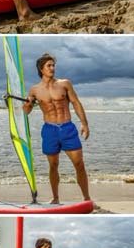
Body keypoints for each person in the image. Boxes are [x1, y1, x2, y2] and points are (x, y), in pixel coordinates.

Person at [24, 53, 91, 204]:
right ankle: (55, 198)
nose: (52, 68)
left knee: (79, 164)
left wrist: (85, 124)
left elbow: (76, 103)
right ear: (41, 69)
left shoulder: (64, 84)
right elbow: (26, 111)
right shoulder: (34, 90)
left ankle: (87, 198)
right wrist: (28, 103)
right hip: (49, 130)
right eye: (49, 65)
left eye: (53, 65)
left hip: (67, 128)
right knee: (53, 165)